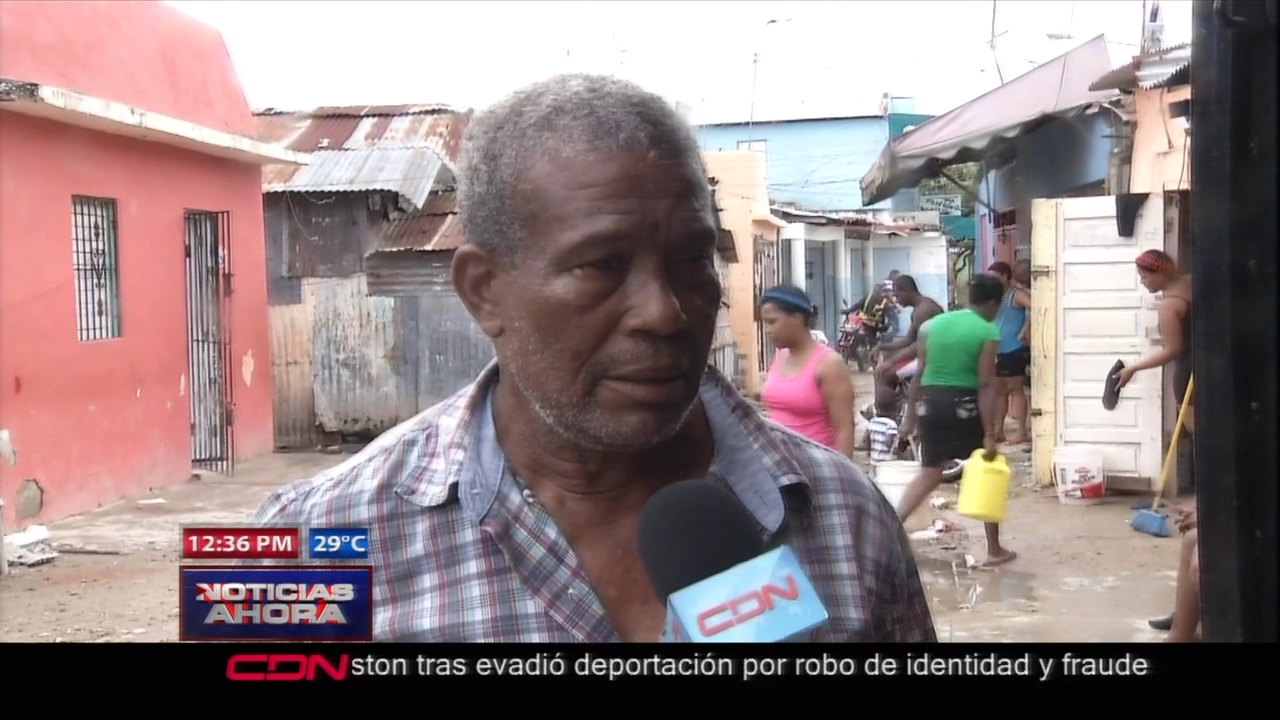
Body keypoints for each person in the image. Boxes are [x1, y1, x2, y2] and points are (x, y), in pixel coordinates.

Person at [252, 74, 936, 643]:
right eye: (603, 265)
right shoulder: (307, 542)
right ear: (484, 291)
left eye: (692, 259)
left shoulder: (847, 517)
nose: (665, 312)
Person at [896, 274, 1016, 567]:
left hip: (929, 403)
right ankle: (994, 549)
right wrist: (990, 433)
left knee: (930, 472)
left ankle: (891, 528)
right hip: (963, 404)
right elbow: (986, 384)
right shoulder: (987, 332)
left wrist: (909, 418)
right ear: (992, 303)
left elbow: (919, 374)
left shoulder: (930, 326)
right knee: (983, 469)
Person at [760, 285, 858, 458]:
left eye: (772, 322)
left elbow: (844, 428)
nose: (767, 330)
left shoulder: (829, 364)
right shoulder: (780, 357)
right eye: (765, 323)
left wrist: (842, 474)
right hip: (780, 465)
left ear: (797, 318)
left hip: (816, 466)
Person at [1116, 250, 1194, 435]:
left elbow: (1173, 350)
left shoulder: (1169, 306)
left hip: (1189, 371)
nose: (1142, 282)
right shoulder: (1193, 281)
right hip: (1216, 365)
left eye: (1145, 276)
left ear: (1160, 274)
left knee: (1202, 437)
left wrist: (1132, 368)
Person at [874, 274, 944, 396]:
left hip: (931, 359)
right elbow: (908, 340)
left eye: (897, 295)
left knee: (883, 374)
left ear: (907, 291)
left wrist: (890, 362)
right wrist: (882, 347)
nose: (896, 299)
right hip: (925, 354)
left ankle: (885, 410)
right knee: (887, 356)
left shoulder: (924, 310)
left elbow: (920, 344)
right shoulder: (919, 308)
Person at [987, 262, 1032, 445]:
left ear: (1005, 276)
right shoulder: (996, 297)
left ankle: (1021, 431)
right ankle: (999, 430)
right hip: (997, 351)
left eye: (995, 277)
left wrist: (1025, 330)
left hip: (1013, 349)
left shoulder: (1016, 295)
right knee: (999, 392)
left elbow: (1037, 307)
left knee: (1016, 390)